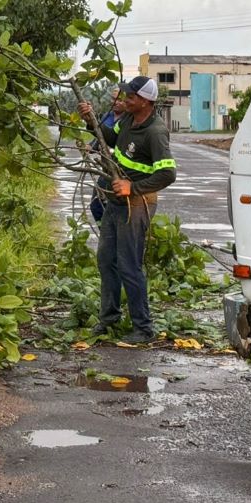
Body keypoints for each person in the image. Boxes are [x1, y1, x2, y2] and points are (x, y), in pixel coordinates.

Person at [78, 76, 176, 344]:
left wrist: (132, 188)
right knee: (106, 259)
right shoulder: (129, 121)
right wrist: (91, 121)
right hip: (116, 201)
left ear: (145, 101)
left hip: (137, 204)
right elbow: (110, 137)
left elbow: (168, 173)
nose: (124, 100)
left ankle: (143, 329)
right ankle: (109, 319)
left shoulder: (155, 132)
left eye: (130, 97)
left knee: (129, 266)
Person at [89, 87, 124, 222]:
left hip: (121, 171)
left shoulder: (128, 121)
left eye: (119, 100)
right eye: (113, 99)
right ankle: (103, 232)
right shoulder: (107, 116)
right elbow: (100, 136)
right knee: (96, 205)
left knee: (115, 207)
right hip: (106, 169)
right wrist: (91, 147)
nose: (115, 102)